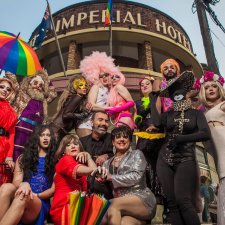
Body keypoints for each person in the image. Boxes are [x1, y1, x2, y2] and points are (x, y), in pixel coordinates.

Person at [150, 71, 211, 225]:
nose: (177, 94)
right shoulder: (168, 114)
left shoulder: (196, 114)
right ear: (170, 96)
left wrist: (183, 138)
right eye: (173, 92)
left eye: (180, 91)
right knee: (172, 205)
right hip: (164, 160)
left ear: (186, 93)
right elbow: (157, 123)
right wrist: (153, 99)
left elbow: (205, 134)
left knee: (184, 201)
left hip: (186, 159)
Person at [0, 124, 57, 225]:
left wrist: (35, 194)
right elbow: (16, 182)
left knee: (23, 197)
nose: (45, 137)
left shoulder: (56, 161)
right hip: (22, 193)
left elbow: (52, 191)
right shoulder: (23, 158)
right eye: (42, 135)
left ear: (51, 138)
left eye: (48, 135)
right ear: (36, 137)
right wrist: (24, 184)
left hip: (39, 202)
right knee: (6, 187)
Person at [101, 126, 156, 225]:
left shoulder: (137, 154)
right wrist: (101, 178)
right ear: (113, 142)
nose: (122, 139)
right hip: (122, 208)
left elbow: (136, 176)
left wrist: (111, 177)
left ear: (130, 141)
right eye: (118, 137)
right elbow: (103, 179)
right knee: (124, 222)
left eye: (125, 137)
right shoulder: (107, 163)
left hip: (141, 199)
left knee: (111, 204)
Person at [50, 134, 104, 225]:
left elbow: (97, 176)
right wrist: (97, 170)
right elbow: (91, 171)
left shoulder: (81, 163)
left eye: (75, 144)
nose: (72, 146)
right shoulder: (65, 160)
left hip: (78, 208)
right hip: (64, 209)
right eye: (68, 145)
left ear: (80, 148)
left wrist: (88, 157)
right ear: (63, 151)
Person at [195, 70, 225, 225]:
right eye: (207, 87)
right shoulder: (202, 113)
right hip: (217, 156)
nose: (211, 89)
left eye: (214, 86)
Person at [13, 69, 57, 161]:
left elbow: (53, 93)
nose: (38, 86)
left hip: (35, 131)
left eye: (41, 85)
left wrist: (47, 79)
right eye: (35, 83)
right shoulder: (23, 93)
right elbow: (13, 83)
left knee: (31, 153)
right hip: (21, 128)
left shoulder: (43, 100)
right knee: (17, 151)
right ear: (29, 83)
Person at [134, 77, 164, 202]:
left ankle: (160, 196)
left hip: (158, 135)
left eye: (148, 84)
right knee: (142, 163)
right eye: (142, 85)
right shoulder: (138, 102)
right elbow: (136, 119)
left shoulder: (159, 99)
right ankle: (146, 192)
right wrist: (138, 119)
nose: (145, 86)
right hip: (143, 136)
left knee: (159, 165)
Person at [77, 51, 116, 137]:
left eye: (106, 75)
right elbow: (92, 106)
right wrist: (109, 109)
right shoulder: (96, 87)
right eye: (101, 76)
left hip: (101, 125)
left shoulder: (111, 91)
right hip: (87, 124)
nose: (104, 78)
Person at [80, 111, 114, 199]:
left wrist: (108, 156)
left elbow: (122, 155)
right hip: (85, 187)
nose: (104, 123)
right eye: (100, 120)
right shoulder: (82, 141)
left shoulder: (113, 139)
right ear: (91, 122)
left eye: (106, 121)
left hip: (108, 187)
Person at [51, 75, 91, 143]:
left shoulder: (72, 97)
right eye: (80, 85)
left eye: (85, 85)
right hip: (56, 131)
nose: (84, 87)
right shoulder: (77, 97)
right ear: (74, 87)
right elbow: (66, 115)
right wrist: (85, 114)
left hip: (57, 130)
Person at [0, 73, 17, 185]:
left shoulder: (12, 112)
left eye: (8, 89)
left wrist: (9, 157)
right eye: (1, 87)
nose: (5, 90)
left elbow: (11, 135)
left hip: (3, 147)